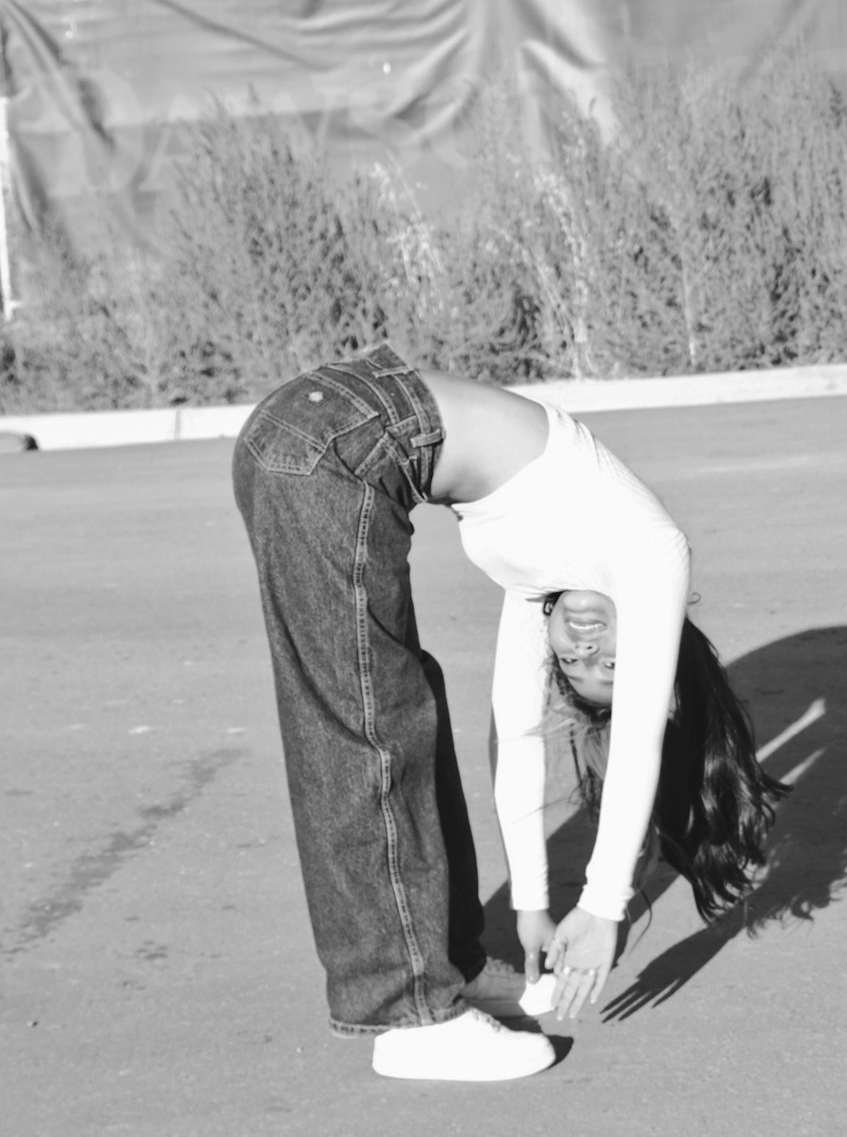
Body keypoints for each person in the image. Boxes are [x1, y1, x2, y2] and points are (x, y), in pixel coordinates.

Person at [232, 344, 785, 1082]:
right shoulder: (651, 552)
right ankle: (413, 1015)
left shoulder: (546, 583)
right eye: (612, 665)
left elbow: (519, 732)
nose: (585, 648)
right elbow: (640, 737)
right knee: (368, 727)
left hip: (316, 436)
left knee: (397, 715)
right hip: (340, 440)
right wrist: (602, 903)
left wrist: (531, 905)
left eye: (575, 665)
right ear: (661, 649)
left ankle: (448, 964)